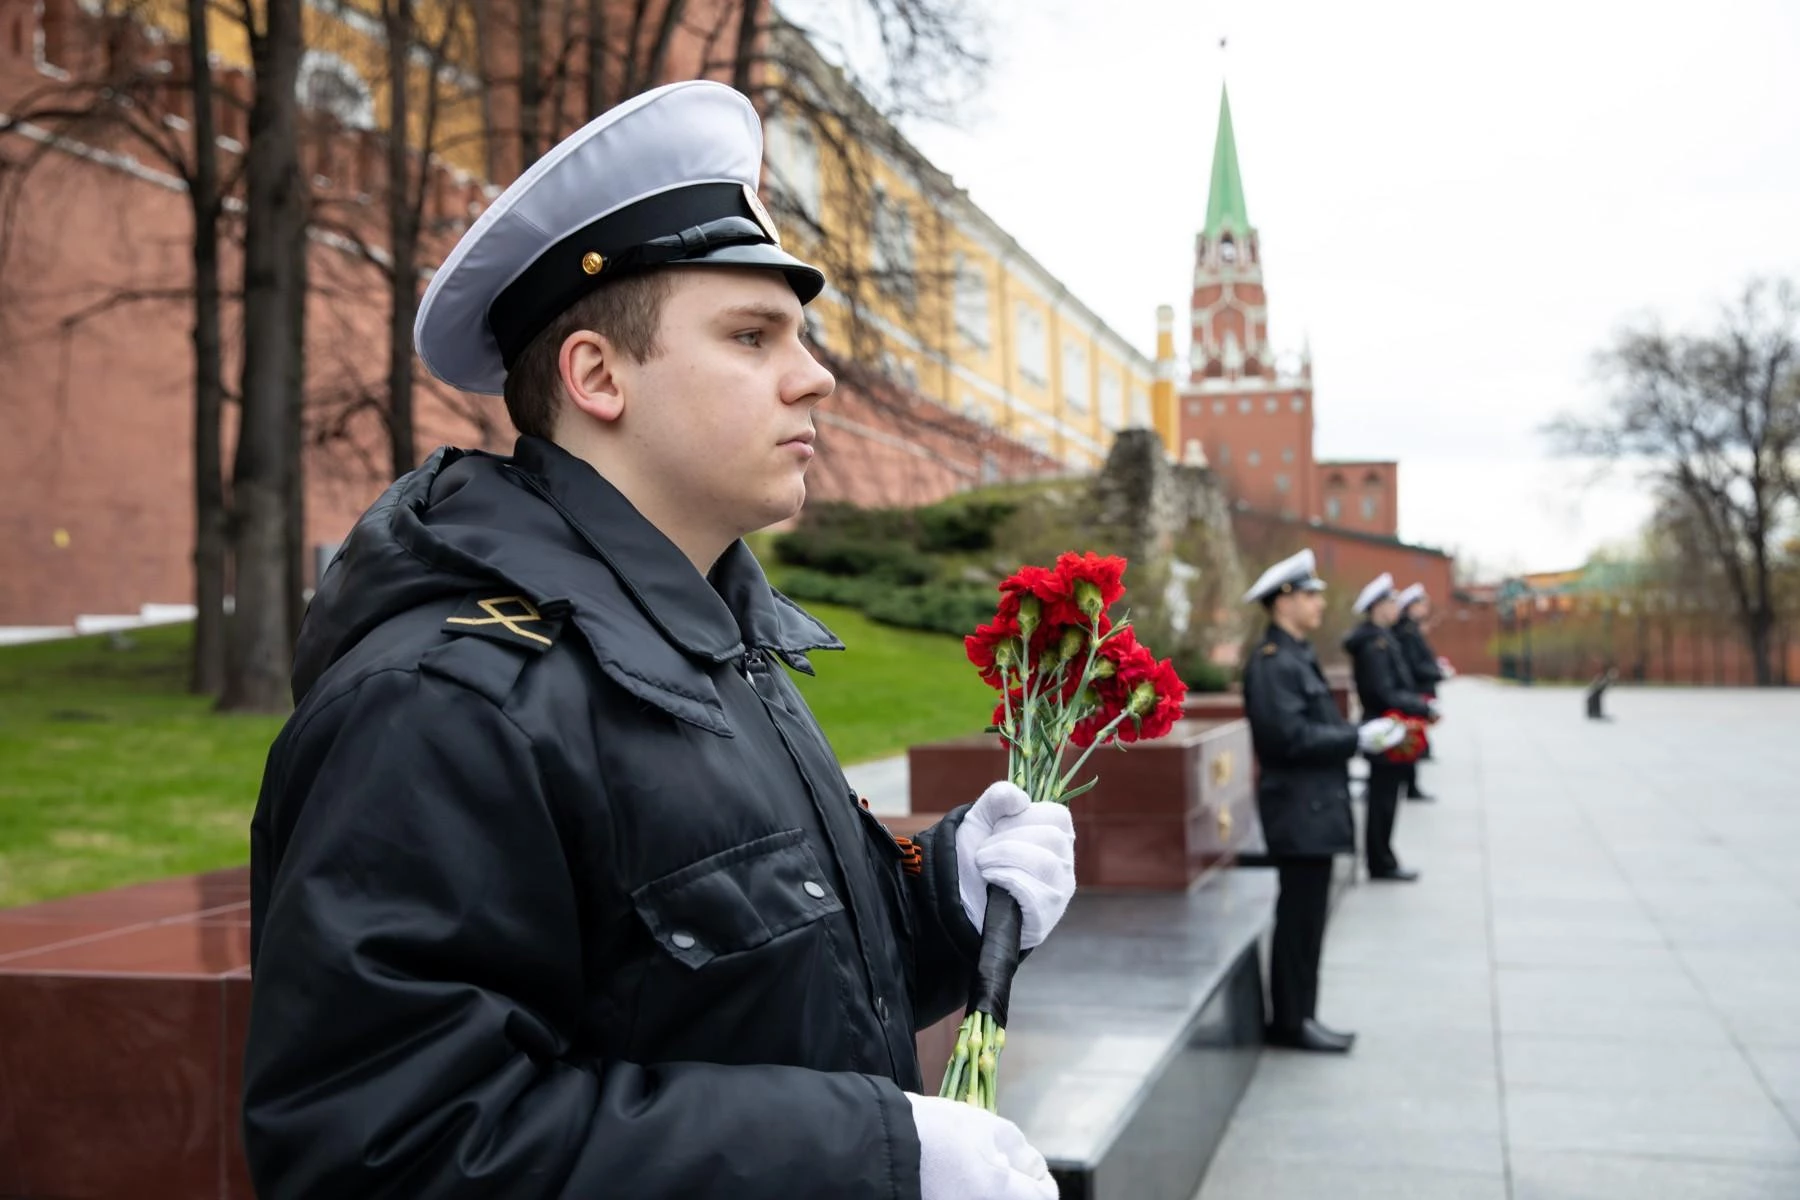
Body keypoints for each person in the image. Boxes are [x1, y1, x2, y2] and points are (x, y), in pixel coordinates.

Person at [240, 81, 1072, 1200]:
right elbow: (392, 1150)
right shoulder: (445, 703)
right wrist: (865, 1157)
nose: (813, 374)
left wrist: (944, 902)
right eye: (751, 334)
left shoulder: (711, 646)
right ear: (597, 376)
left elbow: (725, 989)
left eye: (800, 335)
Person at [1241, 550, 1407, 1053]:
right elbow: (1285, 739)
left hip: (1313, 807)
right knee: (1298, 920)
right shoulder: (1272, 664)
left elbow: (1315, 728)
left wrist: (1357, 734)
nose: (1320, 603)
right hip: (1297, 809)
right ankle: (1290, 1022)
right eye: (1310, 594)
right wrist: (1356, 738)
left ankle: (1301, 1015)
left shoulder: (1296, 655)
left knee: (1309, 920)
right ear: (1283, 600)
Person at [1344, 573, 1435, 882]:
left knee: (1388, 797)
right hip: (1383, 728)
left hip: (1391, 725)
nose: (1397, 606)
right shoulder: (1373, 643)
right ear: (1378, 606)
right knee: (1382, 799)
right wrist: (1418, 705)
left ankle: (1383, 857)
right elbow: (1381, 692)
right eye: (1391, 601)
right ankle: (1380, 861)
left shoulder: (1382, 638)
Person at [1391, 583, 1445, 801]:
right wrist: (1436, 673)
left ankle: (1411, 784)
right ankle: (1410, 786)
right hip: (1413, 690)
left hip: (1415, 690)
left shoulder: (1411, 629)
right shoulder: (1406, 631)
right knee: (1411, 739)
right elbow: (1413, 664)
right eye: (1421, 603)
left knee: (1415, 738)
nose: (1425, 608)